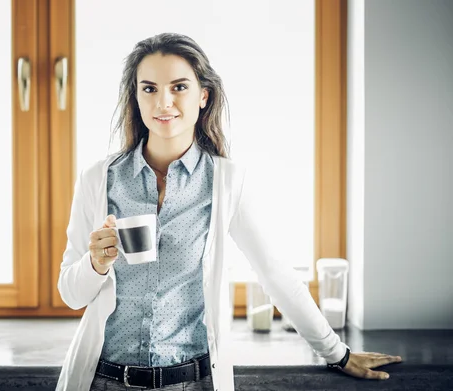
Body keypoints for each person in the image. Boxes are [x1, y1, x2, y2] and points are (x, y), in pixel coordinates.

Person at [55, 33, 402, 391]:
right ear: (136, 97)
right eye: (149, 89)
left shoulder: (227, 181)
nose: (163, 102)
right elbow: (71, 292)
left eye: (178, 87)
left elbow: (276, 275)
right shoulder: (99, 178)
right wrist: (95, 264)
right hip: (102, 382)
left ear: (203, 96)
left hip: (192, 383)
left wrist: (338, 353)